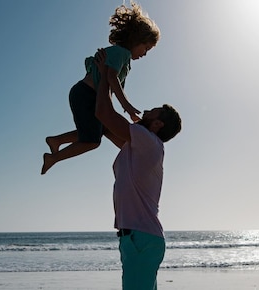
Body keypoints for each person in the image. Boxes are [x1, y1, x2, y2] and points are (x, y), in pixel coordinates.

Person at [94, 48, 182, 290]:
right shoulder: (139, 145)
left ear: (157, 124)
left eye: (153, 111)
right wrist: (110, 80)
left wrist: (104, 76)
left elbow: (103, 113)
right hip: (137, 239)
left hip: (140, 238)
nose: (146, 110)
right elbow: (105, 124)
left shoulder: (148, 141)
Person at [41, 1, 160, 175]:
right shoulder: (122, 54)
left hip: (84, 94)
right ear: (136, 40)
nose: (145, 53)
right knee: (92, 141)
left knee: (96, 130)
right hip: (86, 95)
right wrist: (127, 106)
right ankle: (53, 157)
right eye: (146, 48)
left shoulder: (122, 58)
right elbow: (110, 78)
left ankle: (56, 140)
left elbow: (109, 84)